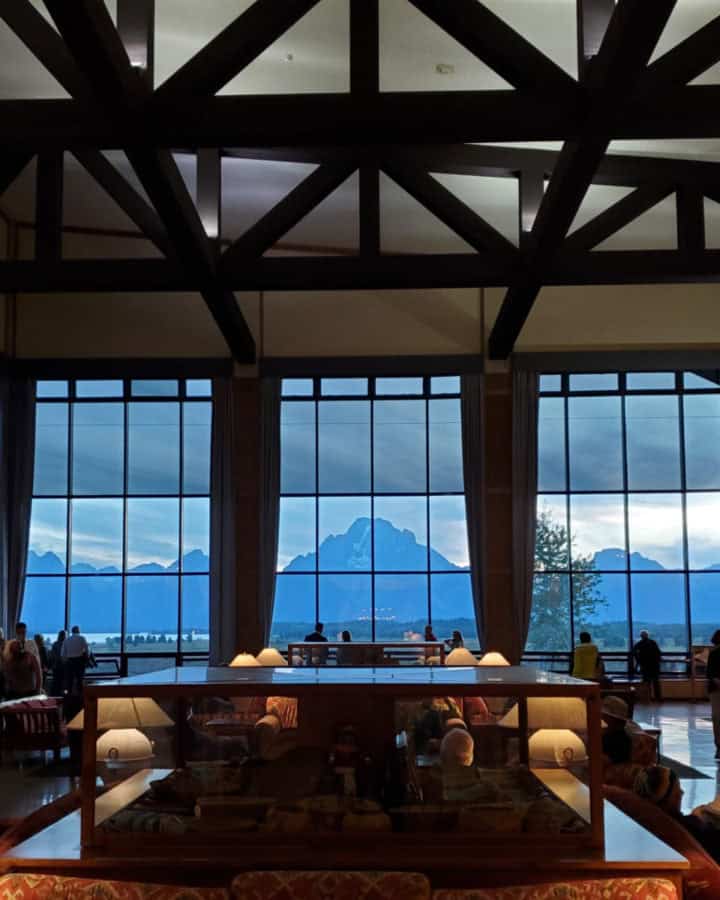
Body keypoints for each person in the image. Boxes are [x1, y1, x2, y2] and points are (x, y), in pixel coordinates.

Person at [634, 765, 720, 861]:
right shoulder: (690, 829)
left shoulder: (638, 821)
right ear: (669, 799)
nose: (682, 793)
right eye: (677, 790)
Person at [2, 623, 43, 699]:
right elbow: (6, 666)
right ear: (16, 632)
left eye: (23, 632)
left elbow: (38, 670)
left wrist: (38, 689)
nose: (21, 635)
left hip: (29, 689)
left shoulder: (31, 645)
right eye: (19, 633)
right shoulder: (10, 644)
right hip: (14, 690)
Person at [633, 630, 663, 701]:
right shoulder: (653, 642)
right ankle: (657, 698)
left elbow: (635, 653)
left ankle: (647, 698)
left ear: (641, 636)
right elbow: (658, 653)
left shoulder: (639, 644)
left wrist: (638, 663)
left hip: (645, 666)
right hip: (654, 666)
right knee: (656, 683)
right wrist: (658, 662)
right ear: (647, 635)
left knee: (647, 683)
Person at [62, 625, 89, 695]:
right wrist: (86, 659)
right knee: (80, 680)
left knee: (69, 681)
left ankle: (68, 696)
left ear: (72, 631)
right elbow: (87, 650)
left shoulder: (66, 640)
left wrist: (65, 661)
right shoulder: (82, 638)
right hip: (79, 661)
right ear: (78, 631)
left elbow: (62, 654)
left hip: (70, 662)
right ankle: (80, 696)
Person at [706, 629, 720, 760]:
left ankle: (719, 746)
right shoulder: (714, 654)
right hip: (716, 688)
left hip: (715, 689)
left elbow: (709, 673)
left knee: (717, 718)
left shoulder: (713, 654)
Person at [49, 630, 66, 696]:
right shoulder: (65, 644)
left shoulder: (55, 644)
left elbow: (52, 655)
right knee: (62, 683)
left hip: (56, 666)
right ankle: (62, 696)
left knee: (55, 682)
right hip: (63, 667)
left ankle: (54, 696)